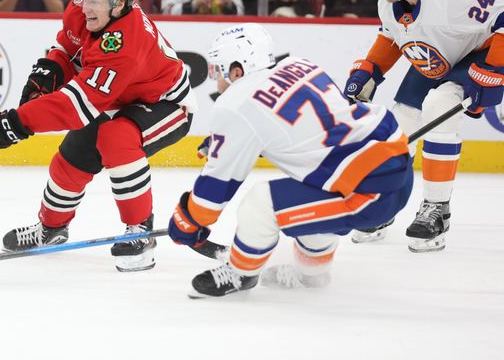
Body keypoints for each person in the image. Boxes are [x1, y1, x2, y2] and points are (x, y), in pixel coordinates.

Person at [0, 0, 197, 272]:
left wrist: (17, 123)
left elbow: (76, 107)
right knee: (71, 159)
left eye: (94, 0)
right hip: (114, 100)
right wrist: (49, 71)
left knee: (117, 138)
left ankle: (140, 234)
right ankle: (51, 229)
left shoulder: (127, 42)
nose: (84, 5)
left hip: (166, 104)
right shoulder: (84, 11)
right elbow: (68, 48)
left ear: (120, 3)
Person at [167, 23, 413, 297]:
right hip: (394, 160)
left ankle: (240, 274)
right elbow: (298, 128)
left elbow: (213, 195)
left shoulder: (234, 105)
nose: (217, 82)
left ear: (236, 71)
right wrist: (234, 139)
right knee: (310, 193)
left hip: (369, 191)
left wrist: (186, 220)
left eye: (218, 71)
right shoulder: (299, 65)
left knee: (260, 203)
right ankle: (312, 273)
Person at [344, 0, 504, 252]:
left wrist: (495, 68)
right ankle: (386, 204)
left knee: (438, 106)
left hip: (475, 53)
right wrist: (370, 70)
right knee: (399, 125)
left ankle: (436, 209)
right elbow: (391, 36)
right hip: (436, 56)